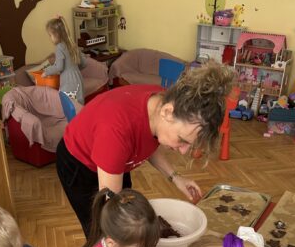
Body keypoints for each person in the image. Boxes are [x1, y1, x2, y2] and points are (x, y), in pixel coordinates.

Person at [56, 61, 235, 236]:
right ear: (167, 112)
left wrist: (176, 178)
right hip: (79, 164)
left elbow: (147, 143)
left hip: (114, 156)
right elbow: (111, 209)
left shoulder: (161, 106)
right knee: (102, 231)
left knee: (126, 219)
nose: (183, 151)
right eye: (182, 140)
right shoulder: (116, 132)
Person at [43, 16, 86, 105]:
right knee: (79, 106)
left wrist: (46, 71)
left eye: (50, 35)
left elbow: (59, 67)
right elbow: (84, 63)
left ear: (56, 34)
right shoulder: (72, 44)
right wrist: (74, 70)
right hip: (78, 80)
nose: (50, 38)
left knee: (68, 107)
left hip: (69, 83)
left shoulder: (59, 47)